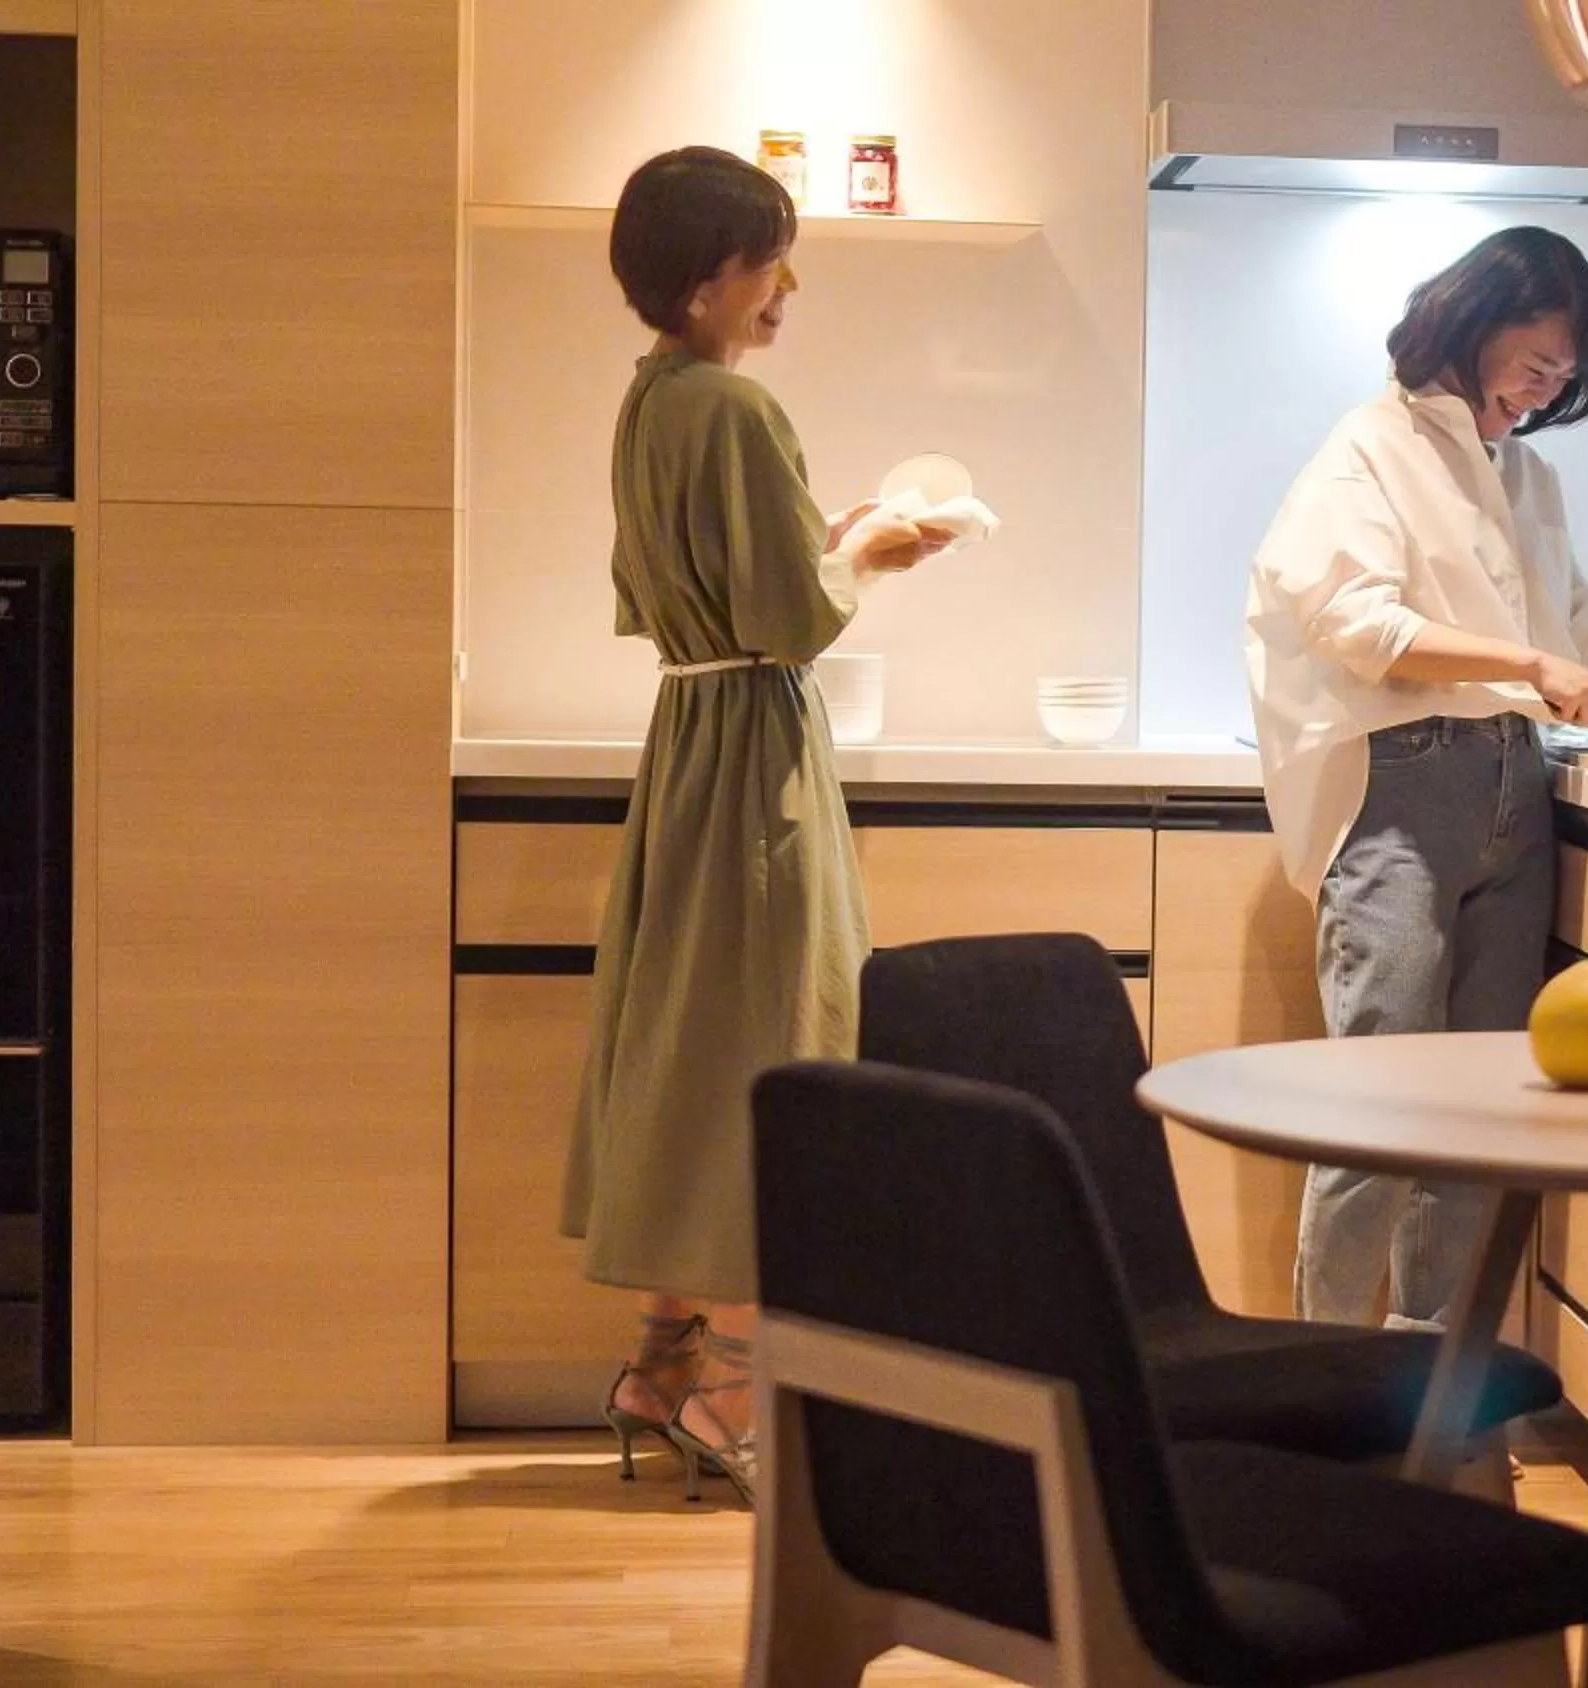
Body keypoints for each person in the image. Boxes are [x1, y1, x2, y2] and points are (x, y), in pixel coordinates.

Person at [1244, 227, 1588, 1329]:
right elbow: (1354, 623)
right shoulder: (1366, 450)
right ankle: (1324, 1390)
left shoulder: (1524, 470)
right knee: (1377, 1108)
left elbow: (1581, 617)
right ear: (1474, 325)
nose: (1544, 392)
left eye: (1563, 379)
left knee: (1476, 1117)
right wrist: (1527, 664)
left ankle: (1435, 1398)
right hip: (1399, 794)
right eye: (1538, 365)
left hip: (1512, 790)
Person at [563, 146, 947, 1506]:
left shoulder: (650, 401)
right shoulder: (730, 406)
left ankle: (660, 1359)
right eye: (774, 257)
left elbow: (702, 586)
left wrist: (822, 545)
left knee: (693, 1037)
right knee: (772, 1040)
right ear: (716, 271)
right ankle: (735, 1372)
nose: (787, 285)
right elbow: (790, 615)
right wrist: (867, 555)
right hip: (759, 762)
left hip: (692, 744)